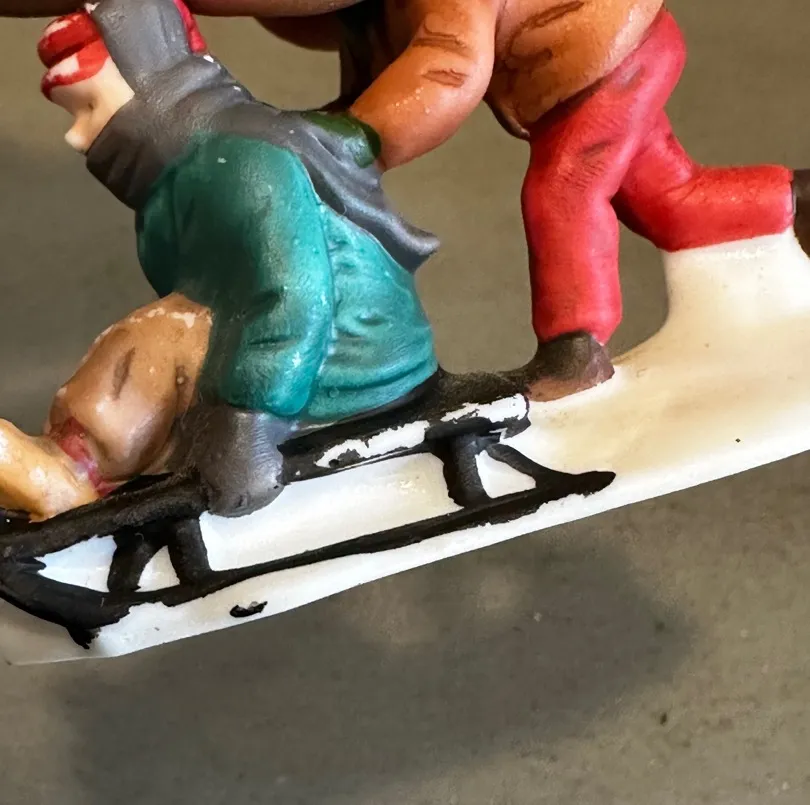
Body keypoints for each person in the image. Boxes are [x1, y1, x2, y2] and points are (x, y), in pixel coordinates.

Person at [0, 0, 439, 520]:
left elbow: (292, 298)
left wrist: (245, 424)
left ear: (148, 83)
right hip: (311, 355)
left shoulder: (237, 163)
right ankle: (87, 456)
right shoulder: (183, 181)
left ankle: (73, 470)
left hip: (350, 363)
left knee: (160, 339)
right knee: (169, 328)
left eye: (89, 107)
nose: (78, 136)